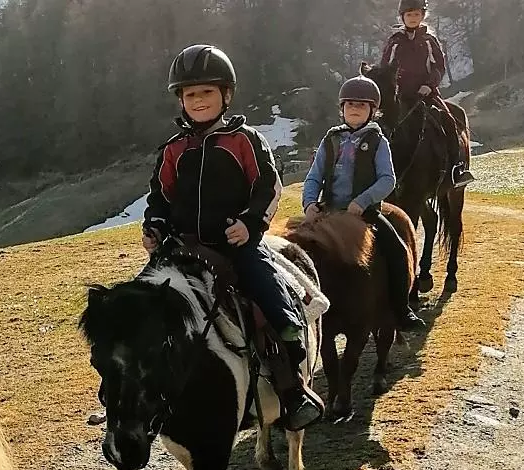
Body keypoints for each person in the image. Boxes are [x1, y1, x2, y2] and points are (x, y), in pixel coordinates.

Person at [140, 44, 324, 431]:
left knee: (270, 295)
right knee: (139, 305)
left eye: (207, 91)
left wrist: (249, 225)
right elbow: (160, 196)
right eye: (190, 93)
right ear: (180, 100)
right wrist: (154, 226)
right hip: (183, 248)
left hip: (236, 245)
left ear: (226, 94)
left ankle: (293, 384)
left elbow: (268, 187)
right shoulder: (173, 150)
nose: (198, 100)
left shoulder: (245, 140)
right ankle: (139, 392)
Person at [302, 75, 424, 331]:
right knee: (297, 249)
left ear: (373, 110)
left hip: (365, 213)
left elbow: (387, 179)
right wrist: (310, 203)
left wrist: (362, 201)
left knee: (397, 250)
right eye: (350, 104)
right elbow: (314, 177)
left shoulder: (379, 142)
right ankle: (301, 313)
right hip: (329, 212)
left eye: (361, 105)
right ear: (342, 108)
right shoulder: (330, 140)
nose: (354, 109)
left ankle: (402, 309)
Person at [380, 0, 476, 187]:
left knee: (449, 119)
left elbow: (438, 67)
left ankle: (457, 169)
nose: (413, 18)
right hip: (398, 96)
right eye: (409, 15)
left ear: (422, 16)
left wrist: (429, 85)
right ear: (402, 17)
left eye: (416, 14)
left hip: (425, 94)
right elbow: (385, 69)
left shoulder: (429, 41)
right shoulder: (394, 42)